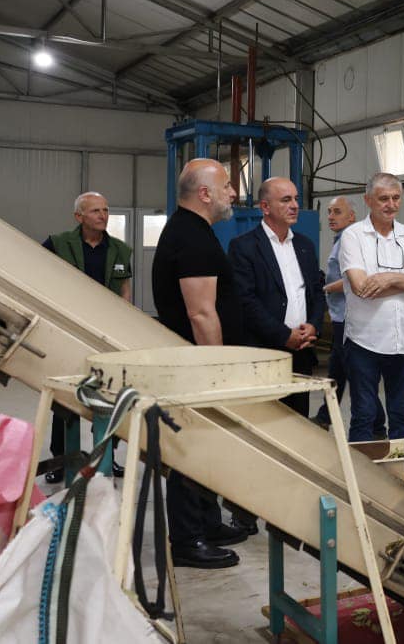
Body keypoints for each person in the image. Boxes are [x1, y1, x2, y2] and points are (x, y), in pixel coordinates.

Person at [151, 158, 249, 569]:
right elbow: (202, 313)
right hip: (196, 364)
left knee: (206, 444)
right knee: (190, 448)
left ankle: (207, 522)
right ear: (205, 193)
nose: (233, 193)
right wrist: (217, 368)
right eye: (227, 185)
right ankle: (188, 540)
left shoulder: (193, 230)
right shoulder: (192, 238)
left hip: (193, 359)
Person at [41, 191, 134, 483]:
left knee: (108, 395)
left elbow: (125, 290)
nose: (103, 215)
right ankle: (60, 460)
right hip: (67, 330)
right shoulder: (57, 244)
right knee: (65, 397)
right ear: (79, 216)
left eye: (105, 210)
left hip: (106, 333)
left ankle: (106, 455)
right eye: (95, 211)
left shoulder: (120, 249)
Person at [337, 173, 404, 442]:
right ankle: (362, 469)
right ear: (368, 200)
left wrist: (389, 278)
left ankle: (402, 468)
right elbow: (361, 287)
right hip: (364, 342)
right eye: (383, 199)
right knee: (364, 414)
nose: (391, 205)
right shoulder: (354, 236)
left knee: (401, 415)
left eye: (396, 198)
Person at [228, 177, 325, 417]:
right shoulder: (244, 247)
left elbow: (316, 292)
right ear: (265, 207)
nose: (295, 205)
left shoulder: (304, 245)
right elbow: (246, 301)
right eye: (286, 200)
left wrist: (313, 325)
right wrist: (283, 335)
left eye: (296, 199)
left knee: (299, 420)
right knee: (267, 420)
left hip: (301, 351)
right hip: (264, 352)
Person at [311, 197, 370, 432]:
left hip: (347, 318)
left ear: (351, 217)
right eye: (329, 212)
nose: (330, 217)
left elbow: (352, 279)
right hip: (339, 317)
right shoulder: (341, 240)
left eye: (337, 212)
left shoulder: (349, 241)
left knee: (355, 373)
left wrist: (323, 288)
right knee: (340, 370)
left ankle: (375, 423)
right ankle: (325, 416)